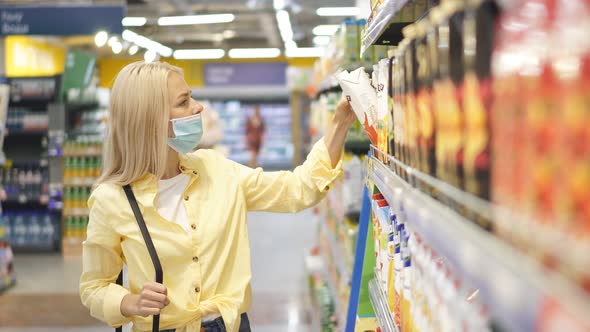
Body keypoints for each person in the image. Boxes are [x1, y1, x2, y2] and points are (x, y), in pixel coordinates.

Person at [79, 61, 356, 332]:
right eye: (184, 101)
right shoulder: (111, 200)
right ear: (151, 120)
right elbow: (94, 287)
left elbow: (299, 189)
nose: (198, 106)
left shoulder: (217, 169)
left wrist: (340, 123)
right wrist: (129, 302)